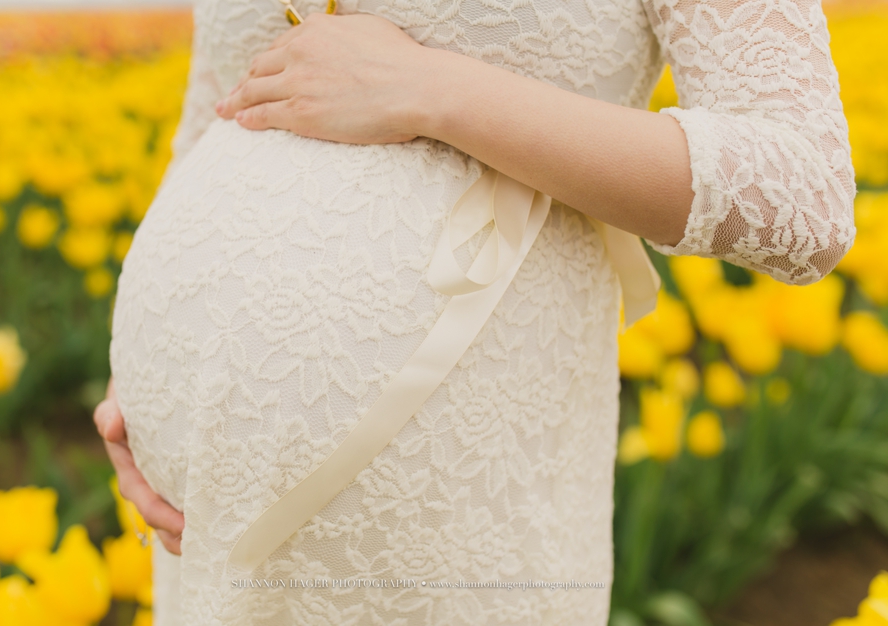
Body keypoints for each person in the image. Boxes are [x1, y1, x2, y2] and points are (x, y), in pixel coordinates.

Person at [94, 0, 856, 623]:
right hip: (203, 528)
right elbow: (218, 108)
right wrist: (137, 390)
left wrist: (433, 89)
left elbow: (800, 195)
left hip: (452, 521)